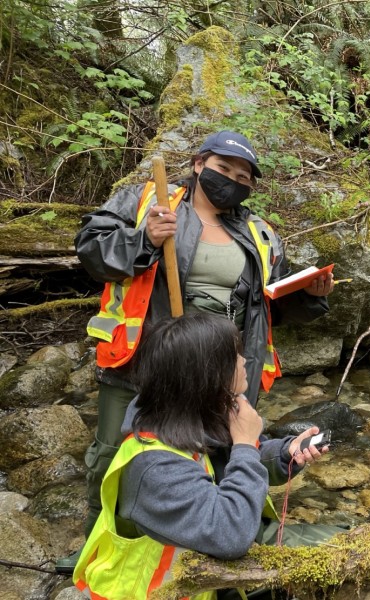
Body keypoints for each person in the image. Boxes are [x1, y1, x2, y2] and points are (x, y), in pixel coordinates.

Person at [58, 130, 334, 572]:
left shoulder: (259, 234)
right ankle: (101, 544)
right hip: (144, 358)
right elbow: (91, 251)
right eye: (224, 169)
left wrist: (310, 295)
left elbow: (269, 308)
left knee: (221, 448)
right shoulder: (148, 200)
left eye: (243, 176)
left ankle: (211, 539)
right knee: (115, 451)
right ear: (199, 164)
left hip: (221, 366)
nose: (232, 180)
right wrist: (144, 240)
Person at [73, 313, 343, 599]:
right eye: (235, 355)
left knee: (344, 540)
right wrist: (245, 444)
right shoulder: (154, 467)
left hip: (202, 578)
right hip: (157, 592)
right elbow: (231, 535)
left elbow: (225, 460)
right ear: (207, 375)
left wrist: (283, 453)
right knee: (336, 560)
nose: (245, 361)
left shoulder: (180, 416)